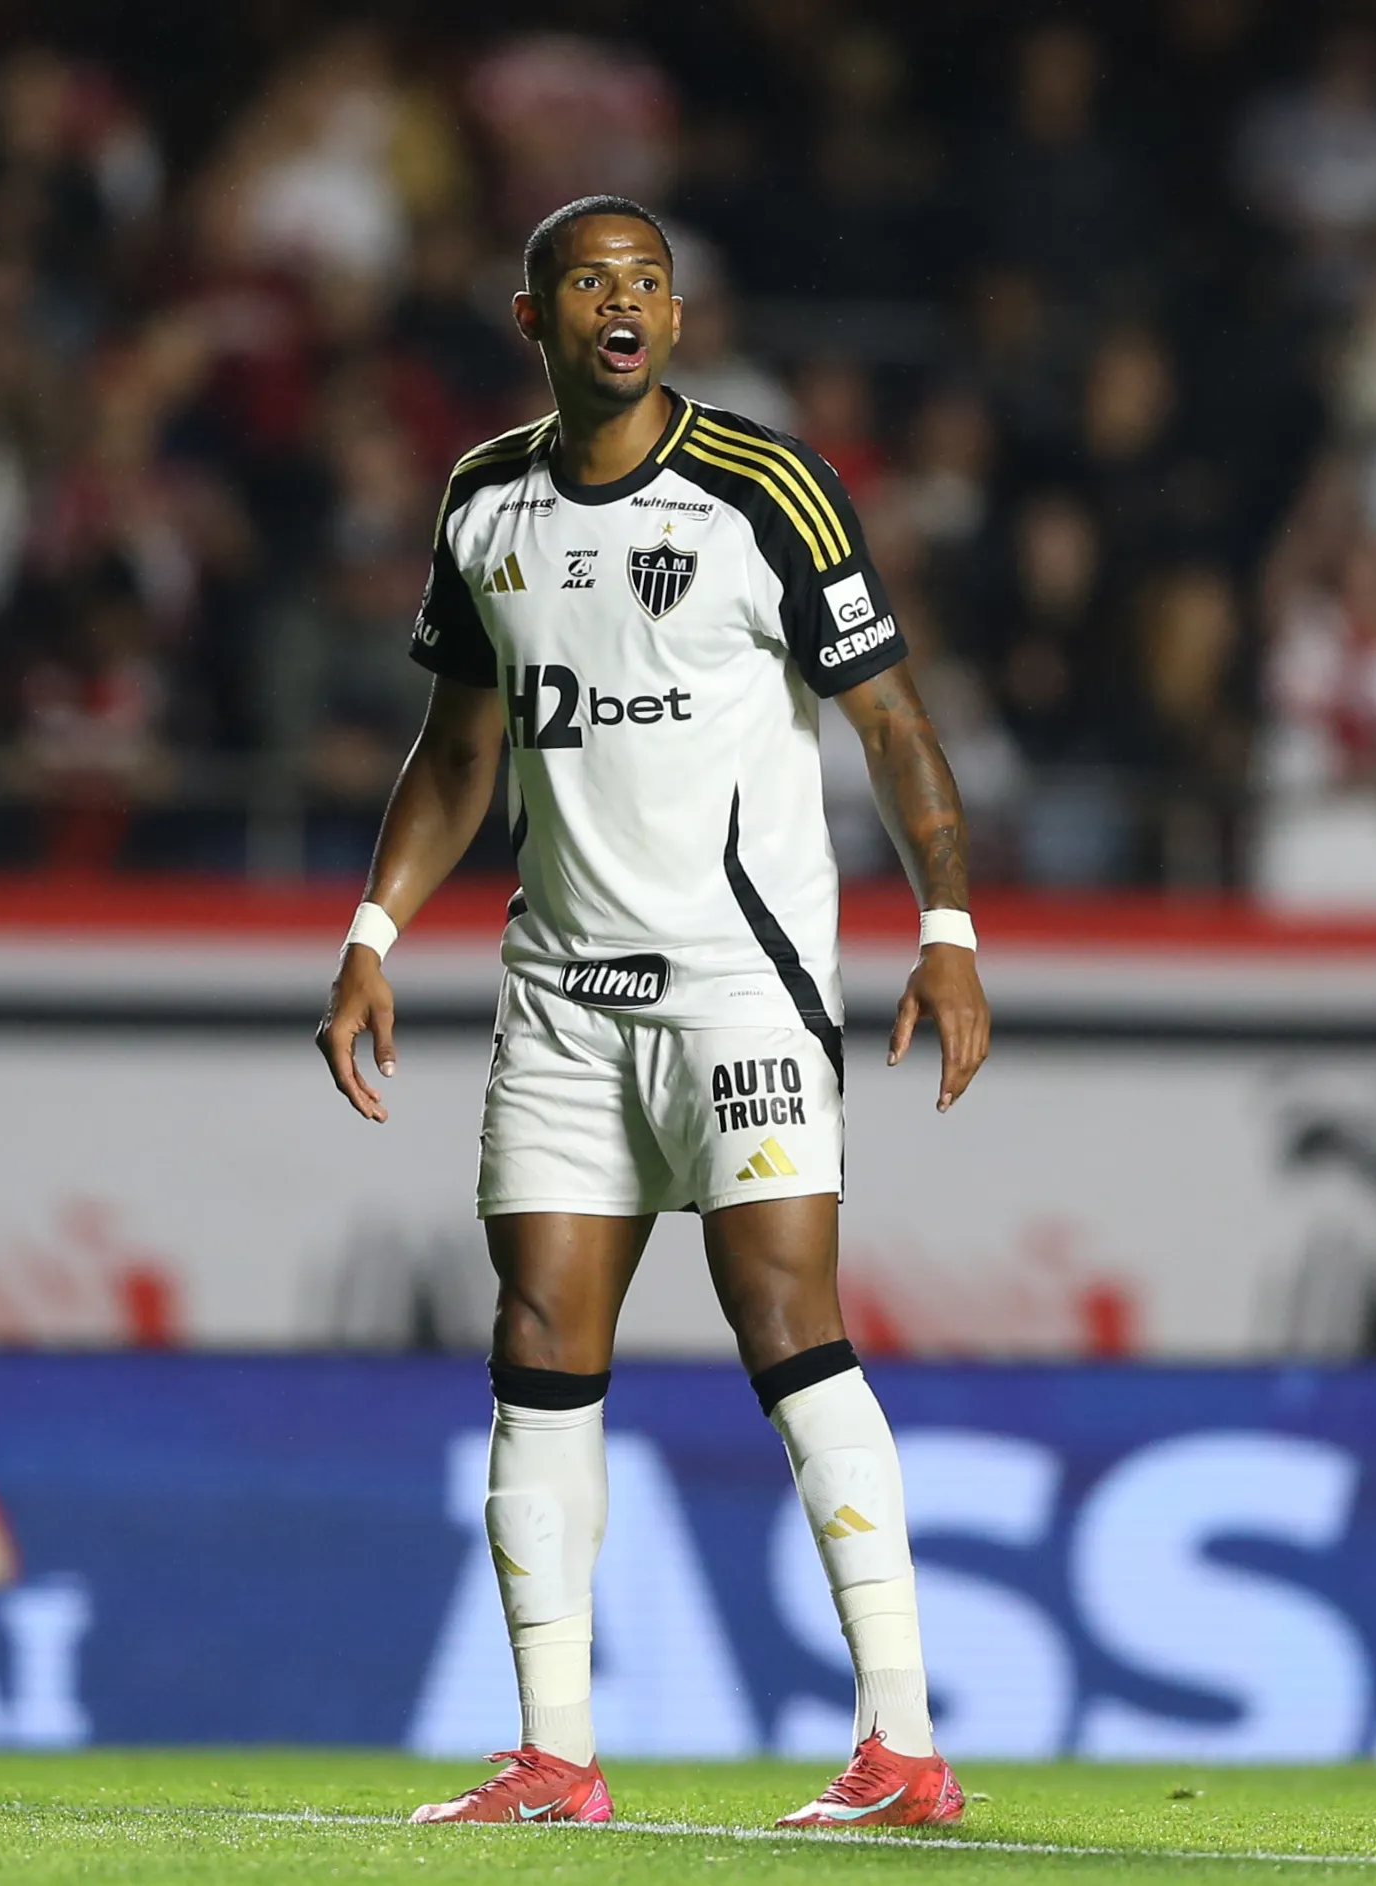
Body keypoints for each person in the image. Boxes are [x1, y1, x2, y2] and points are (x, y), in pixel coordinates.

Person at [313, 196, 986, 1830]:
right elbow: (459, 748)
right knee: (537, 1337)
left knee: (787, 1319)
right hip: (559, 992)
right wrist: (373, 929)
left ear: (675, 319)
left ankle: (901, 1743)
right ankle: (555, 1754)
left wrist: (948, 925)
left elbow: (893, 723)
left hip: (738, 984)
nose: (625, 302)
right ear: (533, 317)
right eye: (591, 281)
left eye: (650, 281)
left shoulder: (765, 489)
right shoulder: (483, 501)